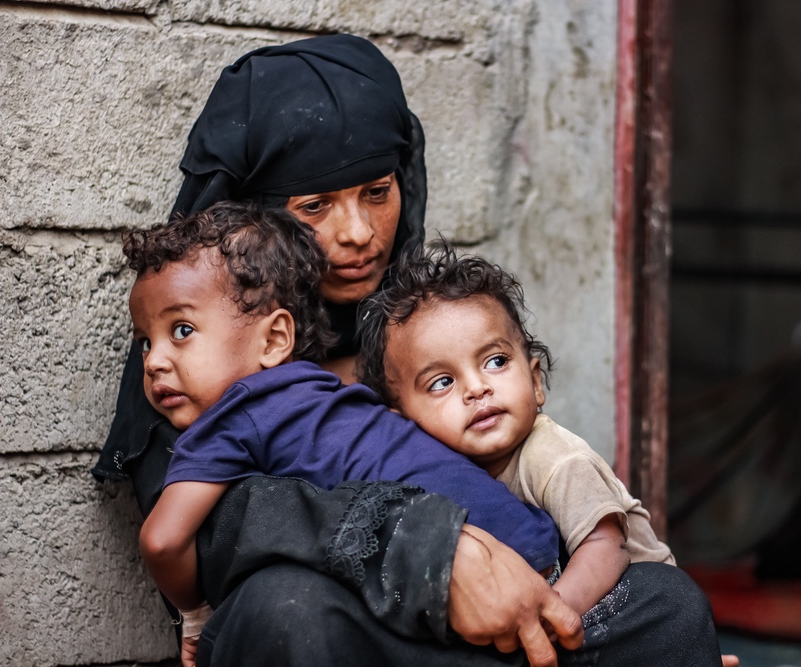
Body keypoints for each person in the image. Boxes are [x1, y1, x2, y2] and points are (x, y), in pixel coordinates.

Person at [94, 33, 724, 666]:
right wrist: (423, 549)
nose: (360, 233)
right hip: (358, 631)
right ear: (256, 221)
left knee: (666, 602)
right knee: (285, 611)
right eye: (314, 205)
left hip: (510, 612)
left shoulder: (421, 342)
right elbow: (215, 529)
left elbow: (510, 467)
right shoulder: (193, 368)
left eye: (377, 192)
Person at [126, 203, 563, 664]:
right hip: (533, 538)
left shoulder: (229, 420)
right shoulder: (326, 389)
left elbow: (162, 540)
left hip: (470, 571)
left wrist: (194, 612)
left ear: (275, 340)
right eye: (145, 341)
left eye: (182, 330)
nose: (154, 361)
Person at [356, 240, 678, 618]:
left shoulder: (556, 459)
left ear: (536, 381)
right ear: (404, 423)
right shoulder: (445, 472)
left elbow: (607, 547)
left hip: (649, 611)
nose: (477, 388)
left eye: (495, 361)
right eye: (442, 382)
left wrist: (548, 619)